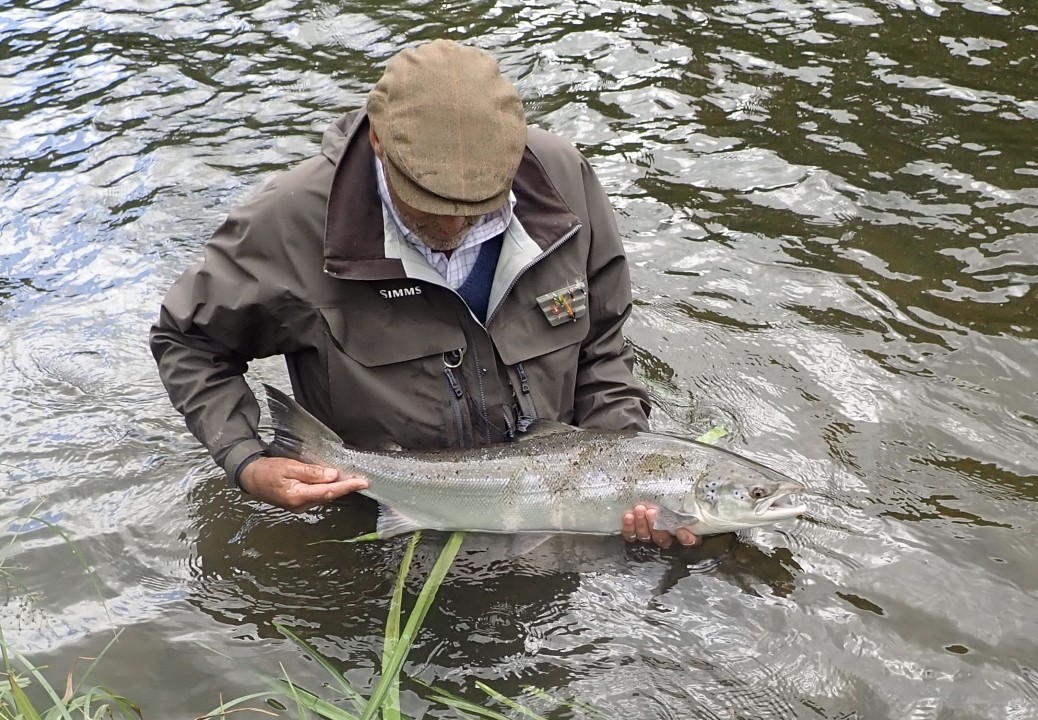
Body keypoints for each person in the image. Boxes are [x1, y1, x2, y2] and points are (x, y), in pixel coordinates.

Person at [150, 39, 699, 549]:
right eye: (429, 202)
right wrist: (245, 459)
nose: (456, 225)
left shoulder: (565, 180)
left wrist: (626, 471)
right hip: (380, 518)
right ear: (377, 142)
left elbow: (601, 341)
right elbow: (186, 342)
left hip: (552, 512)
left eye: (479, 204)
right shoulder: (287, 223)